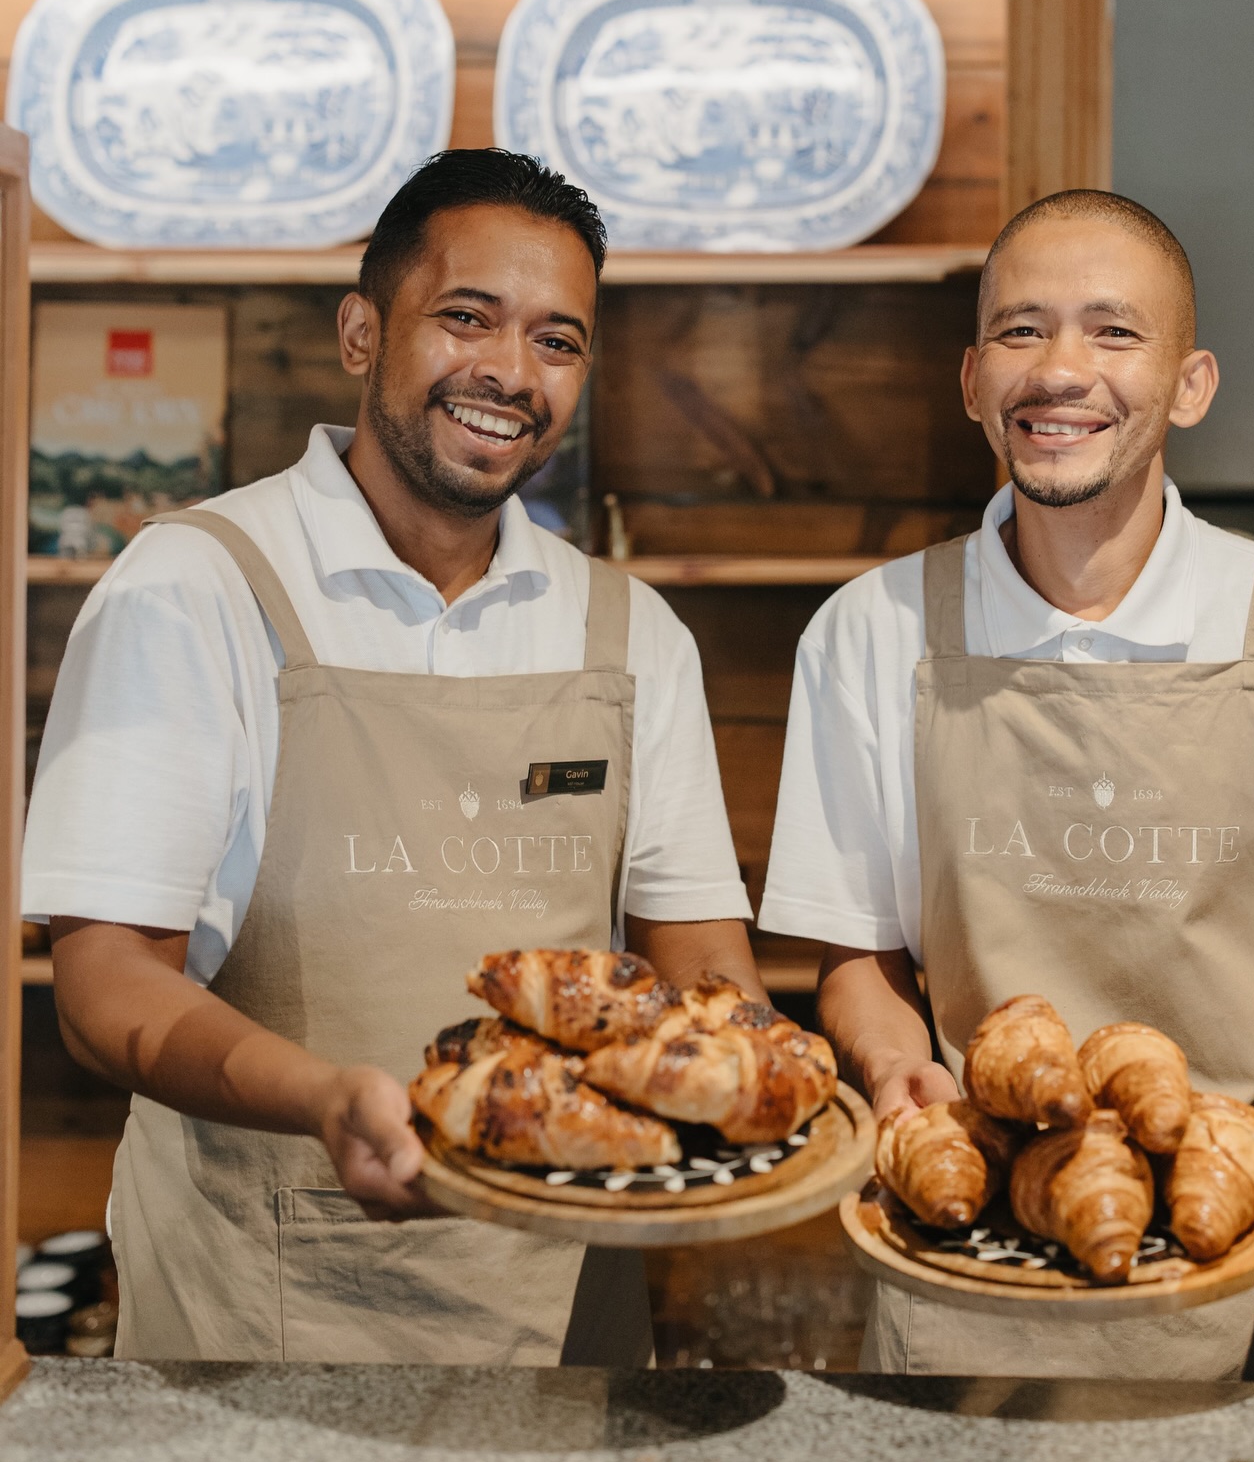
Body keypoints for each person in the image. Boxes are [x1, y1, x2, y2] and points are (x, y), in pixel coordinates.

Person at [24, 148, 760, 1365]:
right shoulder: (197, 586)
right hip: (259, 1317)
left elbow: (700, 963)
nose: (510, 373)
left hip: (569, 1317)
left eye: (558, 341)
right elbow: (105, 992)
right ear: (362, 332)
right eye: (466, 317)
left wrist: (748, 1079)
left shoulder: (633, 635)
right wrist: (323, 1098)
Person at [759, 190, 1254, 1377]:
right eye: (1022, 331)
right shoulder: (869, 633)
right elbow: (858, 961)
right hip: (972, 1252)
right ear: (973, 380)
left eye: (1114, 332)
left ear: (1191, 384)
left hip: (1252, 1259)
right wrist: (890, 1065)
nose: (1061, 369)